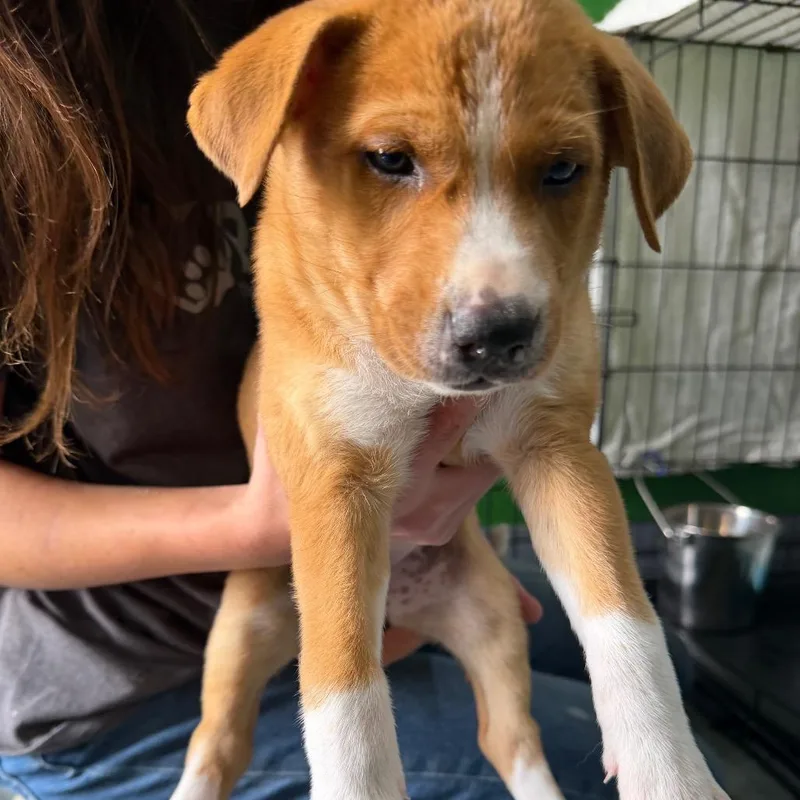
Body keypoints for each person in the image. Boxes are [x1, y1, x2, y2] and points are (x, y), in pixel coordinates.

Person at [0, 2, 617, 798]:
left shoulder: (339, 28)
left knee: (634, 659)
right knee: (589, 763)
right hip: (131, 671)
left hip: (398, 568)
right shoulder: (34, 77)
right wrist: (270, 525)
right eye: (390, 159)